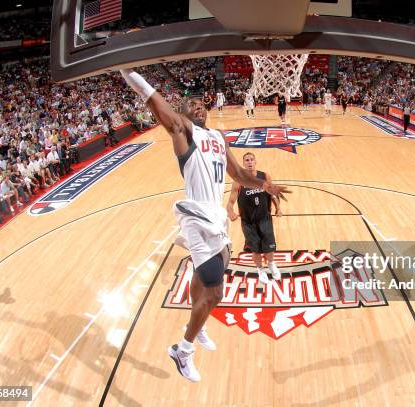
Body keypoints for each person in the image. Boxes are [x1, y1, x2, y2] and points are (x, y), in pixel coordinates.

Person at [119, 67, 290, 383]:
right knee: (213, 294)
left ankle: (196, 328)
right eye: (189, 106)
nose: (195, 108)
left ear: (207, 109)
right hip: (197, 216)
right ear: (183, 114)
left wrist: (266, 186)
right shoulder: (184, 131)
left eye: (200, 105)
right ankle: (182, 351)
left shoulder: (218, 137)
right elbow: (155, 102)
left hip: (216, 219)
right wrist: (128, 71)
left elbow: (237, 175)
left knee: (207, 273)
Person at [226, 152, 282, 284]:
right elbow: (230, 202)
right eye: (247, 160)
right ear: (244, 163)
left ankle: (271, 265)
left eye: (251, 160)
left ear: (255, 162)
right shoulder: (238, 181)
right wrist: (231, 213)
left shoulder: (265, 177)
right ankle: (260, 269)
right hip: (248, 222)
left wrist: (278, 208)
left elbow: (273, 195)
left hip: (265, 219)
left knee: (269, 248)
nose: (249, 162)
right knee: (255, 250)